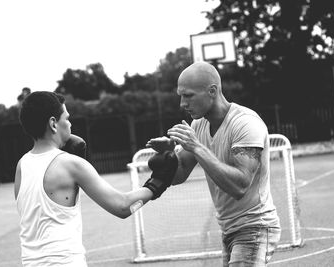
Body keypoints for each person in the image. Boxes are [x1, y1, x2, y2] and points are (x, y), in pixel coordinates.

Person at [14, 91, 177, 267]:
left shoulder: (21, 166)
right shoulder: (70, 164)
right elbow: (123, 207)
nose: (70, 124)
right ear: (53, 123)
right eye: (67, 118)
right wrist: (157, 184)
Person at [146, 62, 281, 266]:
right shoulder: (198, 124)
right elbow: (179, 174)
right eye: (180, 96)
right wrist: (167, 156)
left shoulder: (245, 123)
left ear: (212, 91)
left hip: (254, 225)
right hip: (229, 228)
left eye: (188, 95)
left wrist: (197, 147)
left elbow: (240, 186)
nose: (182, 103)